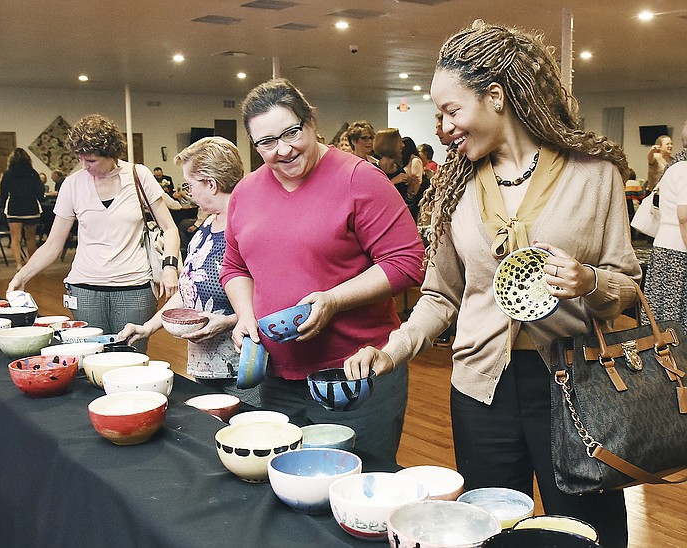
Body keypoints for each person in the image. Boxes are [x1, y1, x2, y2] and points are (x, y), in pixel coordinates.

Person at [344, 21, 640, 548]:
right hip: (481, 388)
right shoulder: (455, 185)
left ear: (497, 97)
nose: (443, 127)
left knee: (589, 533)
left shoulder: (594, 175)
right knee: (489, 531)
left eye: (451, 110)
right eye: (438, 114)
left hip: (579, 388)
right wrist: (392, 350)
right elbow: (440, 295)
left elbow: (626, 288)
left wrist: (588, 281)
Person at [220, 79, 425, 464]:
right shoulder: (246, 193)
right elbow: (234, 267)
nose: (283, 150)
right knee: (288, 486)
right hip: (278, 374)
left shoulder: (359, 179)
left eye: (292, 132)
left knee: (359, 486)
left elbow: (406, 262)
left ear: (311, 122)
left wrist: (333, 300)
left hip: (355, 372)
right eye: (266, 142)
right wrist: (246, 316)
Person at [7, 114, 180, 351]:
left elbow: (169, 228)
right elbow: (53, 244)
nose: (84, 166)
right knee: (91, 358)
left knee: (130, 358)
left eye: (91, 160)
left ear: (112, 154)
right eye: (80, 159)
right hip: (85, 289)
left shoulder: (139, 176)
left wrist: (170, 268)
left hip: (134, 289)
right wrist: (22, 277)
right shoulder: (73, 184)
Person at [119, 137, 258, 405]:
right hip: (205, 366)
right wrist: (147, 328)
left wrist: (228, 322)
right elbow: (188, 291)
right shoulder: (204, 230)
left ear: (211, 183)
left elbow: (272, 298)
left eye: (189, 184)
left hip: (244, 367)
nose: (189, 192)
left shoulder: (249, 227)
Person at [643, 120, 687, 334]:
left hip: (665, 248)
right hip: (678, 252)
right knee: (675, 321)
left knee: (661, 316)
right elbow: (684, 217)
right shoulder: (685, 169)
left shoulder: (675, 166)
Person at [0, 148, 45, 270]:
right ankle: (31, 264)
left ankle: (19, 264)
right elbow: (40, 193)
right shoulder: (33, 173)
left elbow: (3, 192)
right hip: (31, 208)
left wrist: (5, 202)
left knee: (16, 238)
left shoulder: (8, 174)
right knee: (31, 238)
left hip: (14, 208)